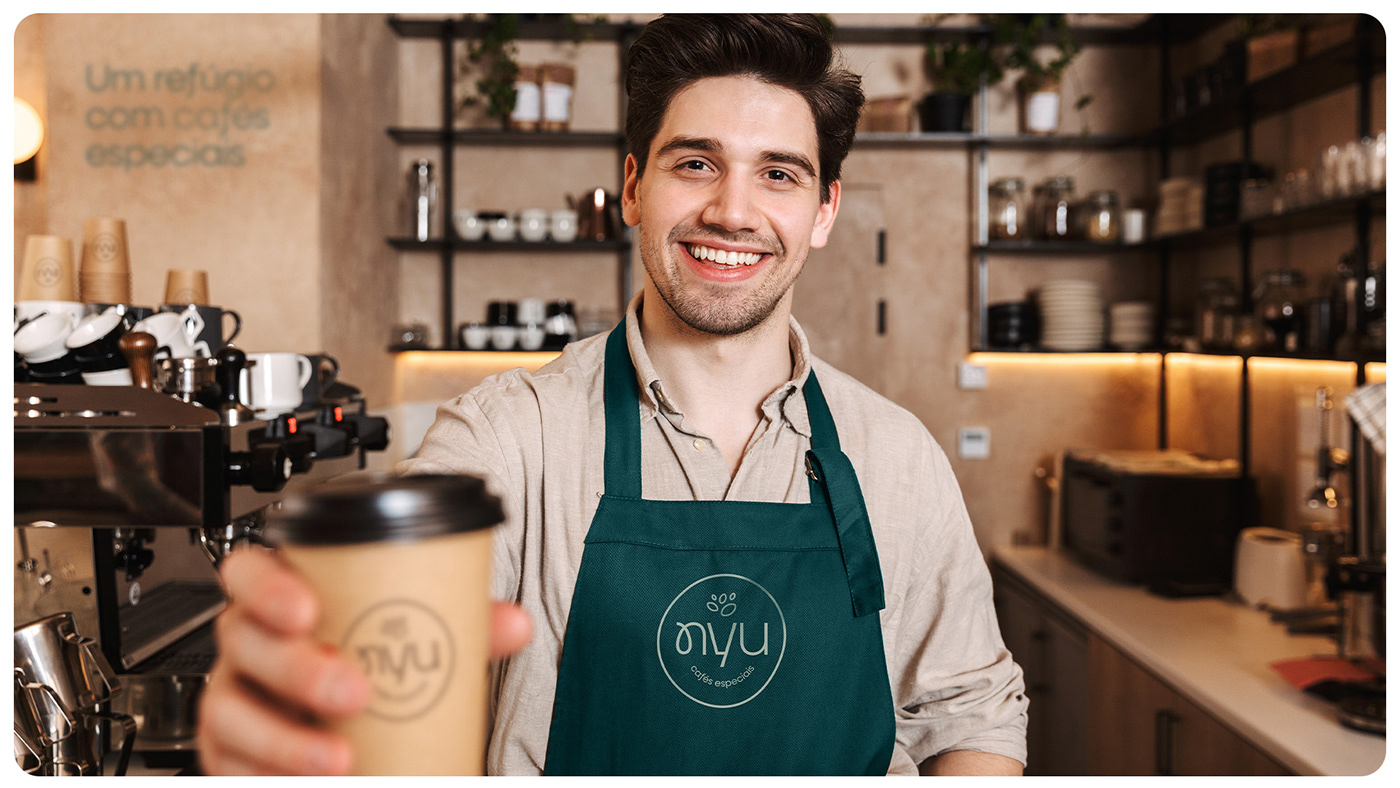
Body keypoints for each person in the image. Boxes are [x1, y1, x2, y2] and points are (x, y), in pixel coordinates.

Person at [196, 14, 1027, 776]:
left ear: (823, 211)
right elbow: (380, 629)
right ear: (633, 188)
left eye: (778, 174)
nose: (732, 210)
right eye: (695, 163)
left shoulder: (898, 456)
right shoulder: (511, 438)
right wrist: (304, 674)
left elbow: (973, 718)